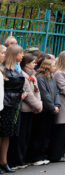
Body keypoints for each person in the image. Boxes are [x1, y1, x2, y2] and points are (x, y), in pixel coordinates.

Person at [10, 54, 42, 169]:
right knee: (21, 136)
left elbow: (37, 91)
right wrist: (38, 105)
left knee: (27, 135)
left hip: (32, 109)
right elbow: (28, 94)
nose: (35, 64)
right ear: (27, 64)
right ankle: (18, 159)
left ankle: (23, 158)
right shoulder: (23, 75)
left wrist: (39, 104)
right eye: (33, 62)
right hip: (25, 109)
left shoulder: (33, 75)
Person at [0, 44, 26, 173]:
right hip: (5, 106)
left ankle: (4, 162)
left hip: (14, 105)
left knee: (7, 135)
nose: (23, 55)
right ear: (14, 54)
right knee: (2, 134)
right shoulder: (3, 69)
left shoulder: (16, 69)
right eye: (20, 53)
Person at [29, 58, 58, 166]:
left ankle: (42, 155)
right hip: (44, 110)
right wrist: (52, 107)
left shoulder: (52, 77)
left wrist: (57, 105)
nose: (55, 67)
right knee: (39, 134)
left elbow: (56, 92)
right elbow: (45, 95)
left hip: (51, 109)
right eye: (53, 65)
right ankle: (36, 157)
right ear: (47, 67)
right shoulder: (40, 78)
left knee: (46, 134)